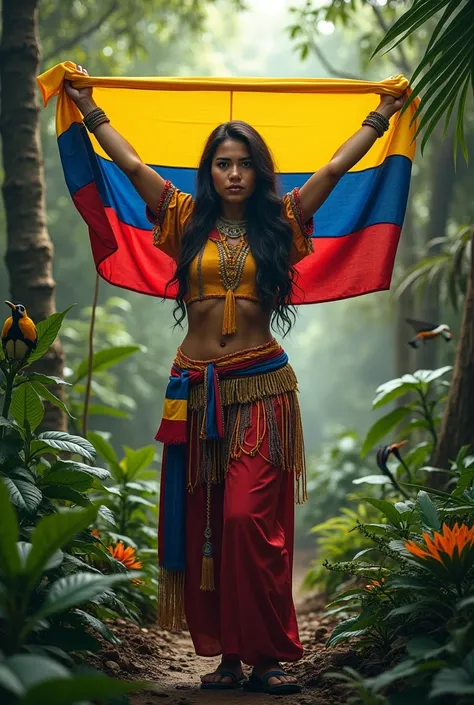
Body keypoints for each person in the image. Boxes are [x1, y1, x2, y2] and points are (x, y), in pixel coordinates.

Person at [65, 66, 407, 696]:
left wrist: (380, 115)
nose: (234, 173)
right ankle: (225, 656)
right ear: (210, 169)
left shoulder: (282, 222)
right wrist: (89, 109)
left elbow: (332, 171)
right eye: (223, 162)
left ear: (259, 170)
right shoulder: (181, 218)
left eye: (244, 163)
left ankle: (268, 656)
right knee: (207, 526)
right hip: (195, 392)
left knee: (252, 521)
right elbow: (133, 163)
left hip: (262, 392)